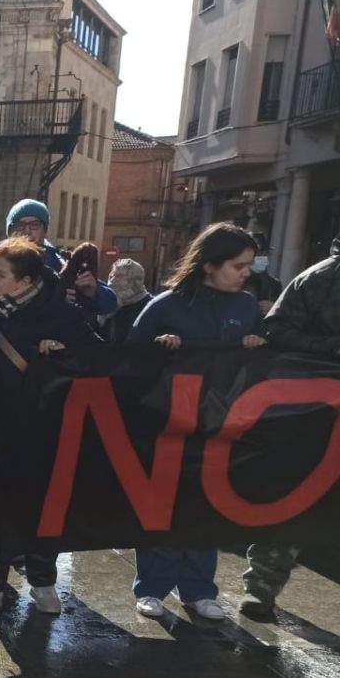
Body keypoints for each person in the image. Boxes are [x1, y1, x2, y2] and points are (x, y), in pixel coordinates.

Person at [0, 237, 101, 619]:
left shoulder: (62, 317)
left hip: (43, 434)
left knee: (44, 510)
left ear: (25, 282)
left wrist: (62, 354)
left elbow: (95, 362)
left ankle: (43, 580)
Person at [128, 223, 266, 622]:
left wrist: (260, 344)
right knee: (163, 503)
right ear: (209, 266)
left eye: (248, 266)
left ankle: (199, 590)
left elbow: (266, 360)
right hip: (167, 423)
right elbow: (129, 358)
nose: (246, 273)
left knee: (205, 505)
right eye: (238, 266)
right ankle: (152, 587)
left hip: (220, 422)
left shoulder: (246, 307)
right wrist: (160, 348)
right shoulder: (166, 305)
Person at [241, 229, 340, 620]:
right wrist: (332, 349)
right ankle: (262, 588)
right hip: (317, 414)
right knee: (295, 499)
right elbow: (276, 330)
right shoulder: (319, 279)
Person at [0, 199, 116, 316]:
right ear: (9, 231)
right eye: (19, 225)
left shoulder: (59, 260)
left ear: (44, 229)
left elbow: (110, 302)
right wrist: (53, 301)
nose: (27, 231)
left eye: (34, 225)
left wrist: (92, 293)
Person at [102, 257, 152, 343]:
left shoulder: (151, 307)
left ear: (136, 281)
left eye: (119, 276)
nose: (112, 280)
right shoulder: (108, 304)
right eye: (111, 276)